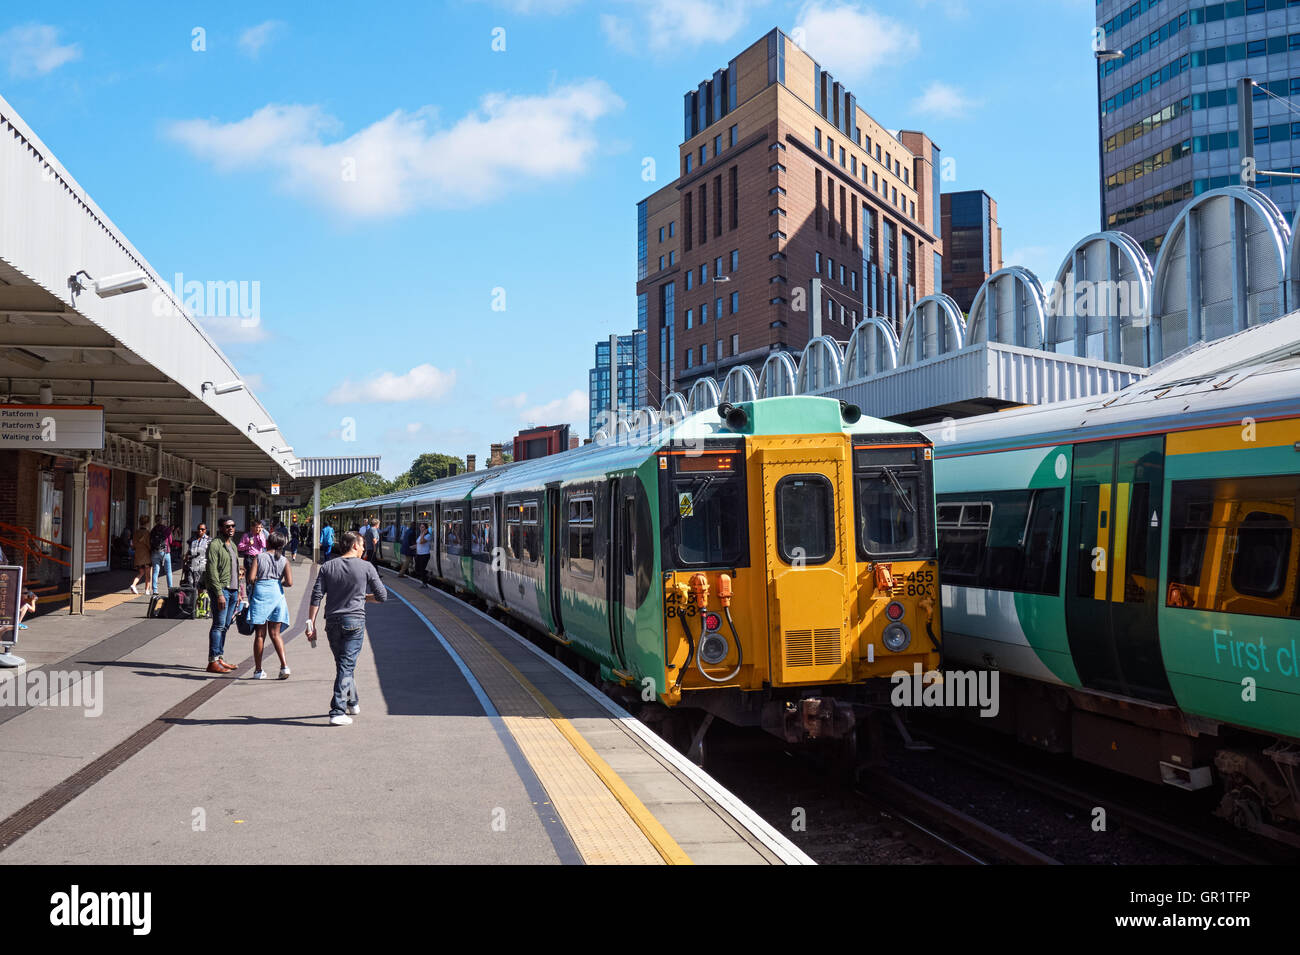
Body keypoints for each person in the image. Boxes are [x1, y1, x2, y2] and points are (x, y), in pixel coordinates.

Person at [306, 530, 387, 725]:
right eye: (362, 545)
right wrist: (363, 597)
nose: (363, 549)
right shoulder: (367, 567)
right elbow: (382, 596)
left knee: (343, 664)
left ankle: (353, 702)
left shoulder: (327, 567)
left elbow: (316, 596)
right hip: (354, 622)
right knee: (346, 665)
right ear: (354, 546)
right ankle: (337, 711)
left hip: (332, 622)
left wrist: (311, 624)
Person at [247, 530, 293, 680]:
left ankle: (258, 670)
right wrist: (278, 582)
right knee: (275, 633)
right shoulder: (284, 560)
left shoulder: (259, 557)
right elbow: (290, 582)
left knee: (260, 634)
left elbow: (251, 578)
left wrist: (260, 579)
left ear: (268, 543)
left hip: (261, 593)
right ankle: (284, 666)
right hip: (276, 593)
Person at [203, 517, 246, 674]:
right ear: (221, 528)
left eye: (233, 525)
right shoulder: (215, 545)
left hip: (233, 591)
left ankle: (220, 657)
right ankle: (212, 661)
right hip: (221, 590)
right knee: (218, 625)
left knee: (226, 625)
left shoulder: (232, 544)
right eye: (228, 526)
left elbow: (235, 570)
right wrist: (219, 594)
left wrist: (240, 592)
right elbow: (212, 571)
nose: (231, 528)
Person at [149, 517, 174, 595]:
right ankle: (170, 589)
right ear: (162, 521)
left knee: (156, 571)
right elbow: (170, 541)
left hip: (155, 551)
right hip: (165, 551)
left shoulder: (153, 530)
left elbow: (150, 540)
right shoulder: (166, 529)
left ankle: (155, 590)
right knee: (168, 571)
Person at [129, 516, 151, 595]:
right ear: (147, 523)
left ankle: (133, 585)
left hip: (138, 555)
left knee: (141, 572)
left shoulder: (136, 532)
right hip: (146, 555)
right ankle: (147, 590)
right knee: (148, 574)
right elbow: (149, 544)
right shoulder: (147, 533)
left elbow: (133, 544)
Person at [185, 523, 210, 588]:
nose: (200, 531)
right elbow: (189, 551)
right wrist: (185, 559)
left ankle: (199, 598)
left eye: (202, 529)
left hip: (201, 566)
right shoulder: (193, 539)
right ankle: (193, 598)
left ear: (205, 530)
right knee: (190, 584)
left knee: (199, 586)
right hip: (191, 565)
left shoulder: (209, 540)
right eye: (199, 529)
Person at [414, 522, 432, 588]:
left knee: (422, 569)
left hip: (425, 554)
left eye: (423, 527)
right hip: (419, 554)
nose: (421, 528)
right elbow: (418, 543)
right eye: (420, 527)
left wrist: (423, 534)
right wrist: (413, 547)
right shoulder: (420, 535)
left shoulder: (428, 536)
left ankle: (424, 583)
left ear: (426, 528)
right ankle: (428, 573)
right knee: (417, 569)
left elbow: (421, 542)